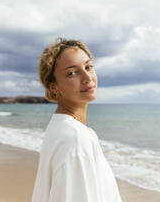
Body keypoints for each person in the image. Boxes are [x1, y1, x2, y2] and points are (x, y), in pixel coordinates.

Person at [31, 38, 122, 202]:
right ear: (53, 86)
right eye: (72, 73)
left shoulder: (64, 129)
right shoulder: (75, 139)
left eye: (88, 67)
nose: (87, 77)